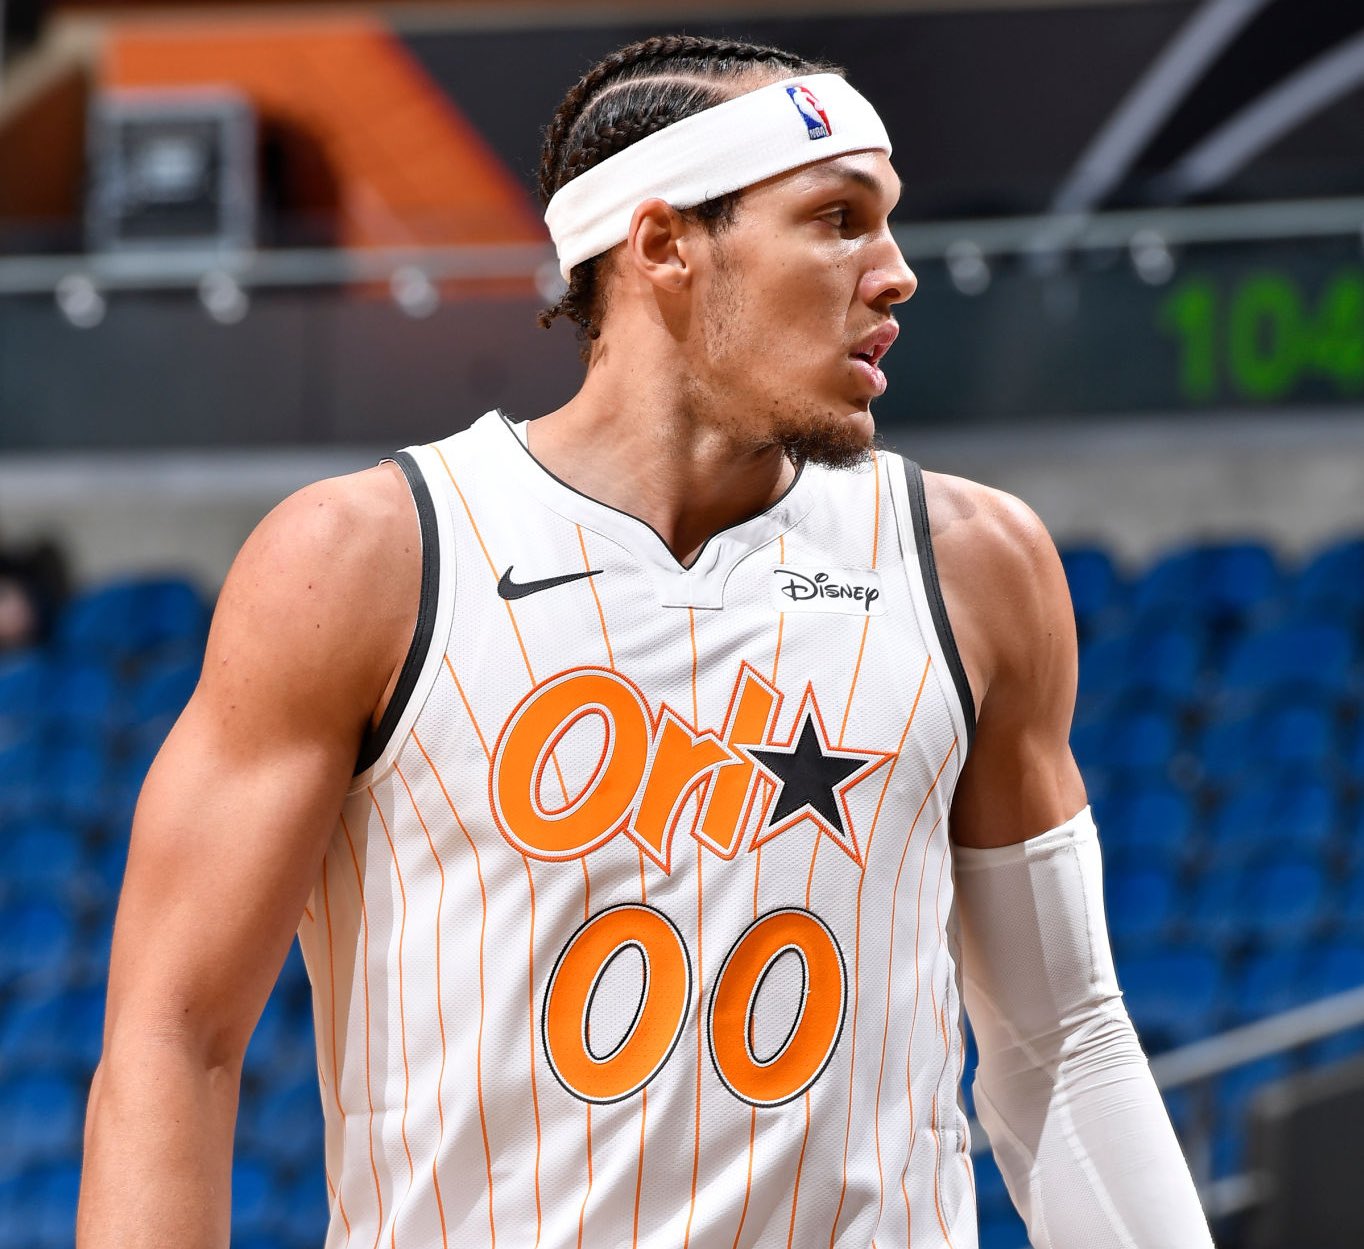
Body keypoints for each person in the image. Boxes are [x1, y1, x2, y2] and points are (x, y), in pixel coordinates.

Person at [79, 34, 1214, 1249]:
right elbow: (173, 1034)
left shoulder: (974, 564)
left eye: (886, 223)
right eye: (836, 220)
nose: (895, 274)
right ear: (664, 245)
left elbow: (1060, 1041)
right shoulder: (366, 559)